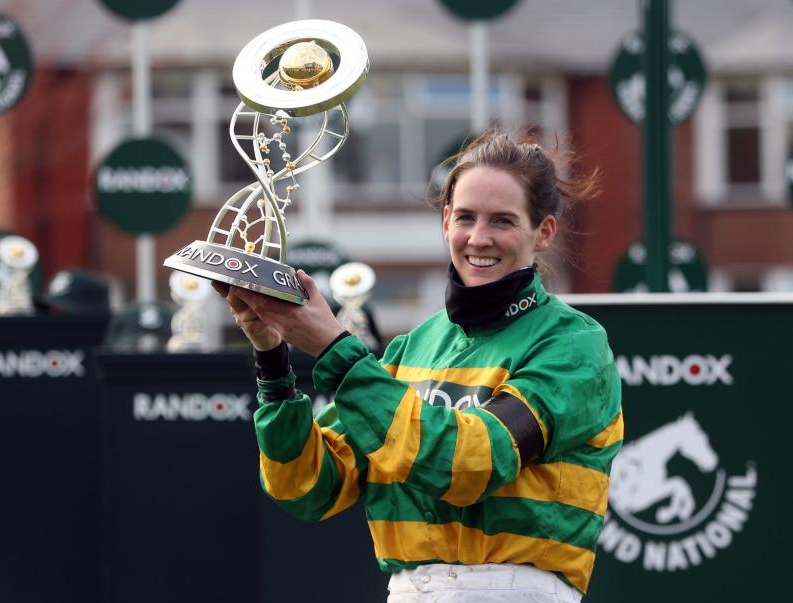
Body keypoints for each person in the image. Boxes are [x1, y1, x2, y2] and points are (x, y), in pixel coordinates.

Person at [214, 130, 624, 603]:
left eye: (503, 221)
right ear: (446, 221)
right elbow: (307, 488)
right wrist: (272, 359)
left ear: (544, 231)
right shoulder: (411, 348)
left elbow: (469, 464)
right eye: (466, 217)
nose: (479, 237)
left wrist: (334, 350)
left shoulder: (573, 344)